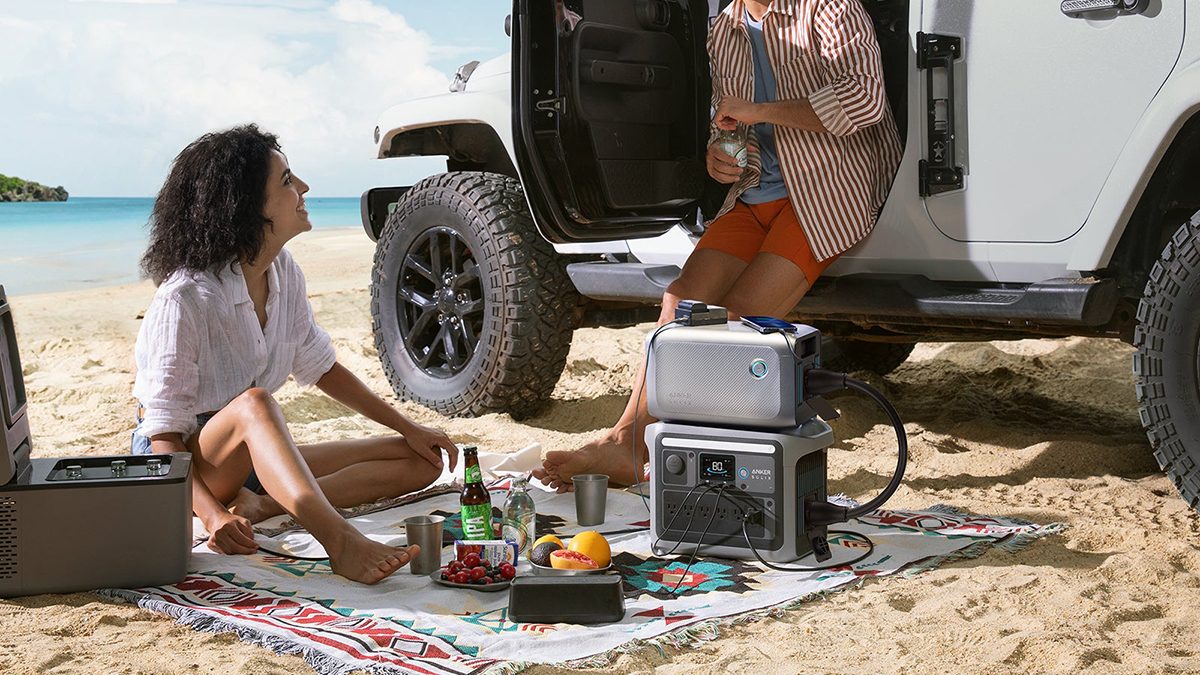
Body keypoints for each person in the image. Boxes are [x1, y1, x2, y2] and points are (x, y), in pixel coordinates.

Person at [535, 0, 902, 491]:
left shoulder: (830, 8)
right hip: (756, 191)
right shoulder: (724, 28)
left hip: (827, 188)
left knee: (738, 320)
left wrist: (759, 111)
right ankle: (623, 443)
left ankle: (701, 463)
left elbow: (864, 102)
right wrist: (719, 153)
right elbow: (728, 122)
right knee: (680, 303)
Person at [132, 124, 460, 584]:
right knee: (256, 402)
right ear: (247, 206)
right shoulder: (186, 298)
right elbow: (162, 439)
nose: (303, 187)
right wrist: (211, 518)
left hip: (249, 455)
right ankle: (340, 541)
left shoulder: (284, 272)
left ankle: (265, 503)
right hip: (183, 469)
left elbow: (321, 367)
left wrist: (409, 428)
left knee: (422, 460)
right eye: (287, 180)